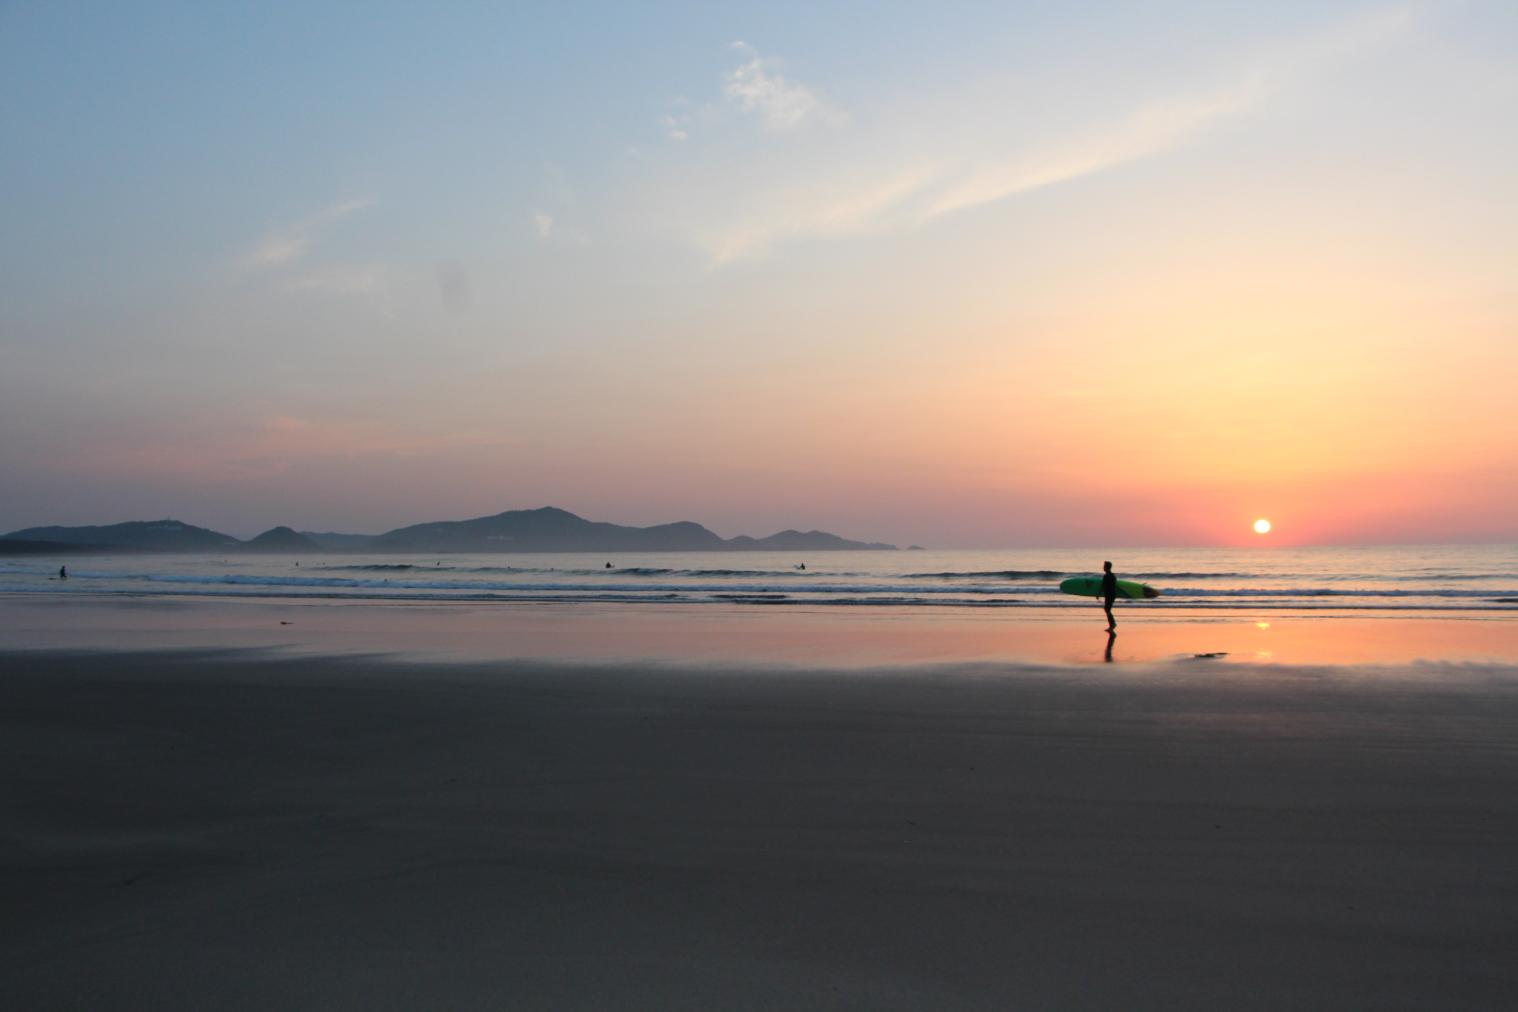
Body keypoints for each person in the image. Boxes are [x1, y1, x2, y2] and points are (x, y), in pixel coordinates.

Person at [1100, 560, 1117, 632]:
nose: (1103, 568)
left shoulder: (1106, 576)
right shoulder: (1113, 576)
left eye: (1104, 566)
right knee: (1107, 609)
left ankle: (1112, 624)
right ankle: (1112, 624)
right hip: (1112, 595)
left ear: (1107, 567)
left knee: (1107, 609)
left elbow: (1103, 586)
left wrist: (1098, 594)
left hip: (1109, 595)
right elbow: (1114, 586)